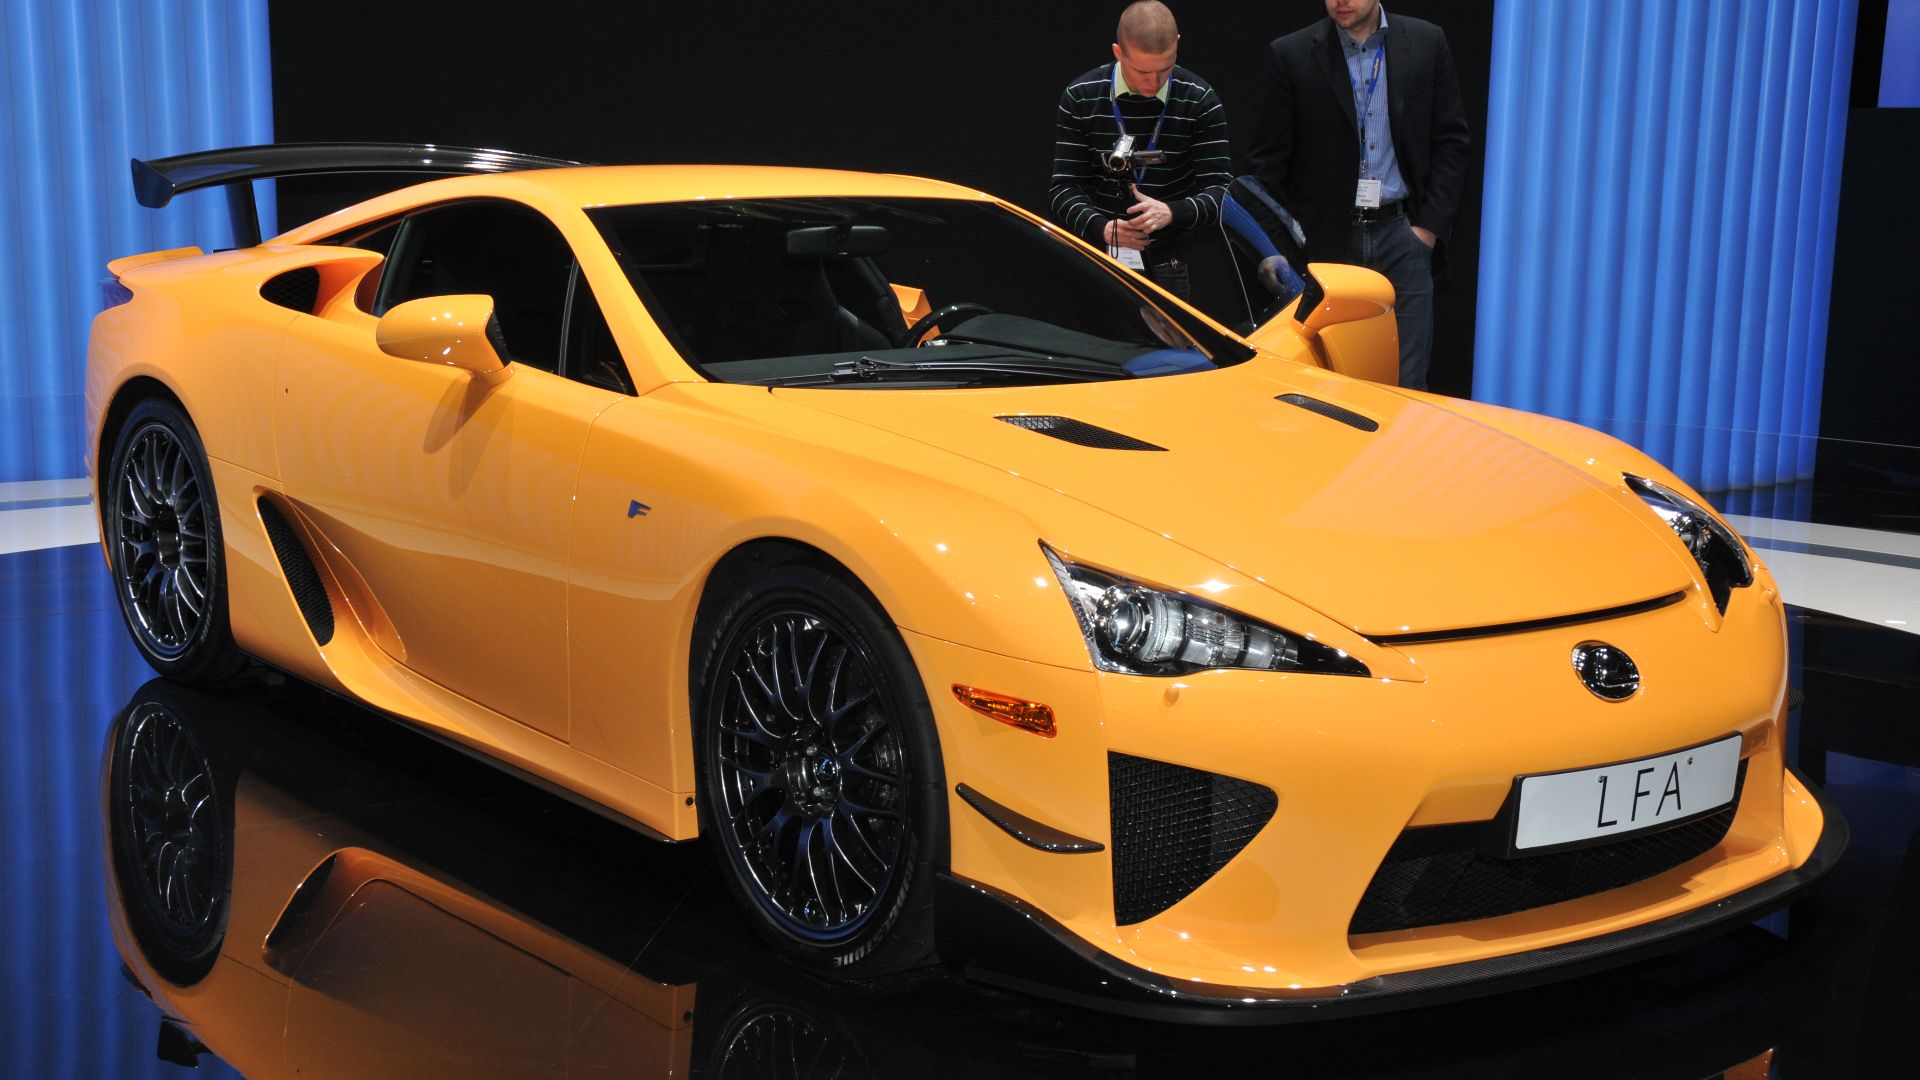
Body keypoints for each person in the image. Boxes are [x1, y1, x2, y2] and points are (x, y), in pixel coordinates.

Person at [1248, 0, 1469, 389]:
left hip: (1404, 236)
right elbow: (1267, 166)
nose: (1340, 1)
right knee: (1328, 387)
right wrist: (1294, 246)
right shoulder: (1291, 54)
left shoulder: (1425, 42)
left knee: (1407, 385)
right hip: (1329, 244)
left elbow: (1451, 141)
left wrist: (1427, 232)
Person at [1049, 1, 1231, 300]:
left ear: (1177, 44)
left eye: (1165, 68)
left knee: (1171, 345)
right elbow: (1062, 189)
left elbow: (1222, 192)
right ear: (1118, 53)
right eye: (1143, 71)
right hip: (1099, 257)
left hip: (1171, 260)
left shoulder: (1200, 99)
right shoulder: (1081, 97)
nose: (1155, 82)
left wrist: (1172, 211)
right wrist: (1102, 228)